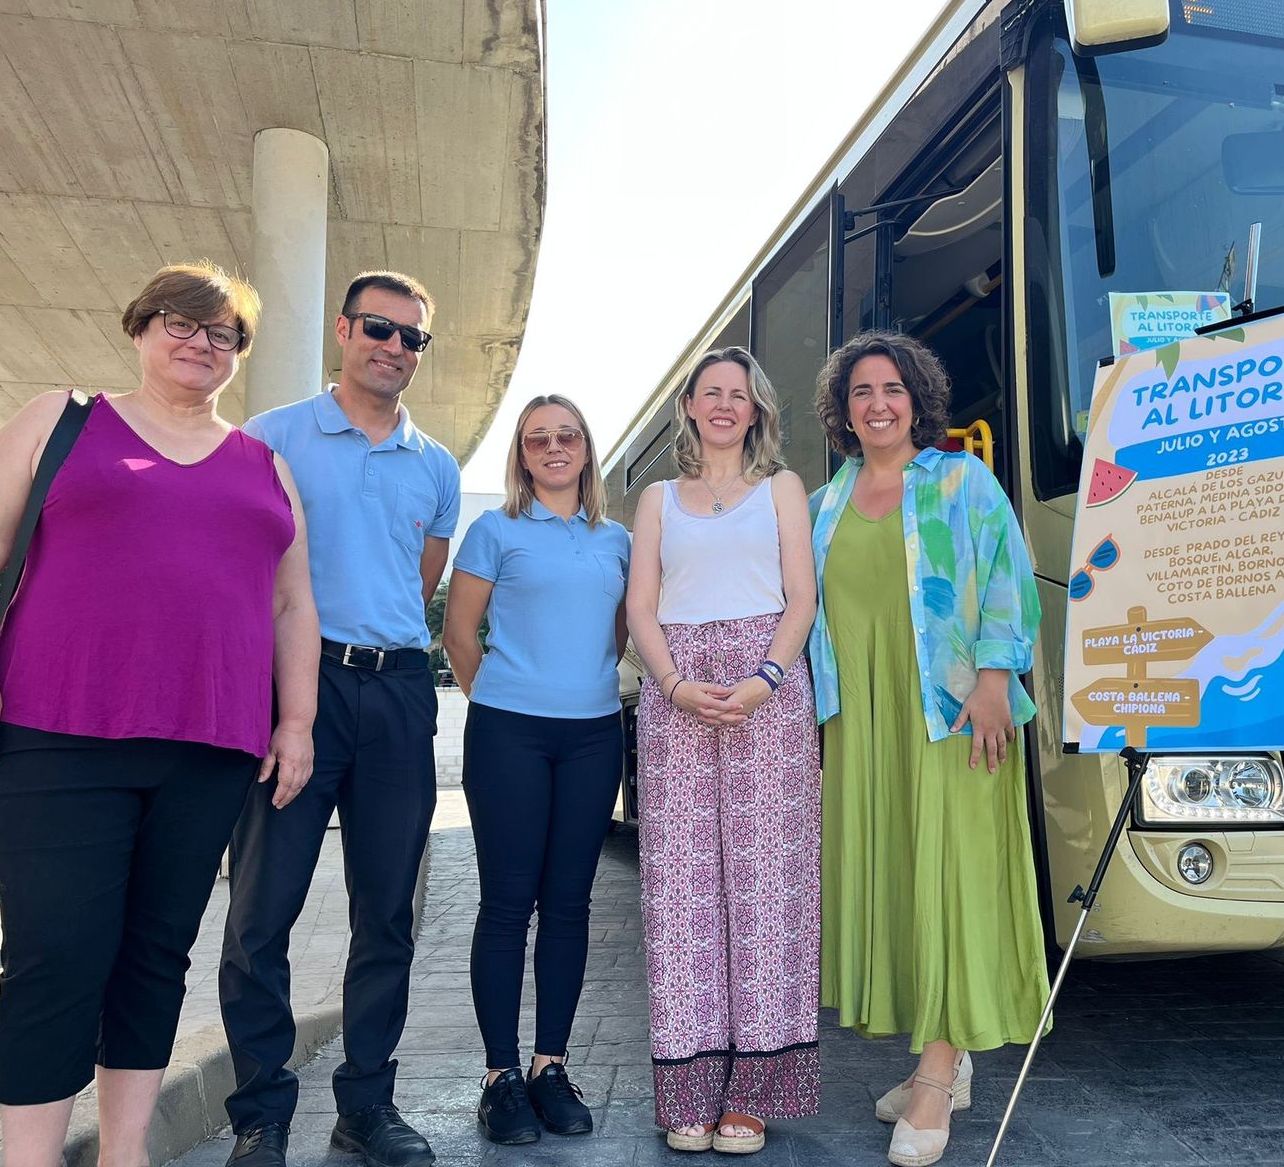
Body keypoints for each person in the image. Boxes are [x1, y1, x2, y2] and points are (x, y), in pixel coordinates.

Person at [0, 262, 316, 1167]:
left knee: (155, 957)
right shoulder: (64, 419)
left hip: (211, 745)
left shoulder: (265, 465)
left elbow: (290, 603)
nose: (200, 343)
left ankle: (125, 1152)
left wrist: (296, 723)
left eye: (223, 333)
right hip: (54, 733)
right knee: (57, 952)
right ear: (141, 327)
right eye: (179, 323)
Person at [219, 271, 460, 1167]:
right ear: (343, 329)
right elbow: (240, 568)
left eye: (411, 337)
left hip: (398, 693)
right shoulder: (269, 437)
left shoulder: (437, 466)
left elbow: (420, 579)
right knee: (262, 913)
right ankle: (261, 1114)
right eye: (378, 328)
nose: (394, 347)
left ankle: (366, 1105)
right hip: (296, 691)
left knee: (388, 914)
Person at [808, 331, 1049, 1167]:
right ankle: (940, 1057)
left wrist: (994, 680)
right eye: (861, 391)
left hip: (952, 712)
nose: (878, 404)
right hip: (862, 720)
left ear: (917, 402)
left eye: (892, 389)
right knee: (903, 882)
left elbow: (1010, 579)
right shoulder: (824, 503)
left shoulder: (961, 480)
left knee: (950, 882)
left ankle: (938, 1078)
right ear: (843, 411)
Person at [626, 347, 820, 1156]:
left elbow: (803, 596)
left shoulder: (782, 488)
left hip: (765, 693)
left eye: (739, 394)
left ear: (756, 409)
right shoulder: (656, 500)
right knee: (682, 900)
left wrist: (766, 677)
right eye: (711, 392)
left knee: (768, 890)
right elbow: (640, 607)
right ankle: (691, 1091)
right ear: (691, 406)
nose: (724, 405)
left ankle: (753, 1092)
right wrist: (671, 684)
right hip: (677, 696)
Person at [441, 395, 629, 1146]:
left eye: (567, 435)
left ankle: (551, 1066)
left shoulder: (617, 540)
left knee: (570, 905)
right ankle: (500, 1077)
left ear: (586, 448)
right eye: (538, 438)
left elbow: (619, 635)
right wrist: (507, 701)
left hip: (593, 737)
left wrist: (571, 690)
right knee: (506, 904)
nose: (554, 447)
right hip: (509, 735)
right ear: (521, 454)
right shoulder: (495, 530)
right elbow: (459, 634)